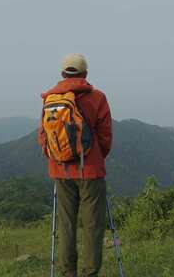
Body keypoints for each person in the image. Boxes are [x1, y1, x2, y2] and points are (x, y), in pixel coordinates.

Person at [38, 53, 113, 277]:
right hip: (90, 171)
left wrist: (57, 157)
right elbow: (105, 137)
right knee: (92, 225)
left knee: (66, 224)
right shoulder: (97, 97)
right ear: (85, 74)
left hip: (60, 170)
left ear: (62, 74)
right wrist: (97, 157)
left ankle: (67, 272)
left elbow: (43, 137)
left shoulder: (50, 99)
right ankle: (90, 273)